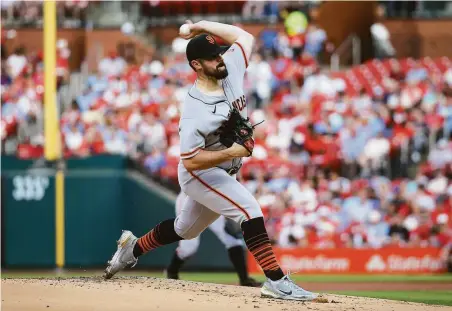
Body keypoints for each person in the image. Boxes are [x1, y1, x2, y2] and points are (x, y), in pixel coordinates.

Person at [104, 19, 317, 301]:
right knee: (249, 210)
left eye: (219, 53)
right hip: (200, 174)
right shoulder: (194, 112)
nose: (219, 59)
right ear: (196, 65)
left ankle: (131, 249)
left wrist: (200, 26)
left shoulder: (229, 69)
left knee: (184, 230)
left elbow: (245, 37)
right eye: (212, 57)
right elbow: (190, 160)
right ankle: (277, 281)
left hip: (224, 170)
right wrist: (233, 152)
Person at [165, 192, 261, 287]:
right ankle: (172, 271)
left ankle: (244, 279)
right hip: (190, 199)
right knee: (189, 248)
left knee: (233, 240)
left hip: (213, 202)